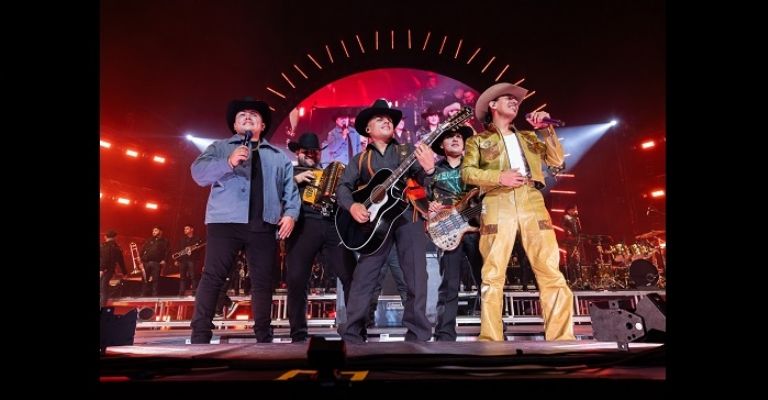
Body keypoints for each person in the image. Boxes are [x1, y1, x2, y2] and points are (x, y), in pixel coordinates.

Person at [461, 82, 575, 341]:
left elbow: (557, 161)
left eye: (516, 100)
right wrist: (498, 177)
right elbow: (467, 173)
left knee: (549, 269)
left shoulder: (530, 137)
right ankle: (491, 339)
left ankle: (562, 339)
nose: (514, 101)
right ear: (492, 105)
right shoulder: (478, 140)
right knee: (493, 273)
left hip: (531, 200)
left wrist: (546, 129)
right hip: (497, 201)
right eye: (508, 98)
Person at [189, 97, 299, 344]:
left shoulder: (278, 157)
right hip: (225, 222)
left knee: (263, 282)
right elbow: (198, 173)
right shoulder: (220, 148)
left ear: (262, 125)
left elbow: (290, 191)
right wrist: (228, 162)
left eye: (254, 115)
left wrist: (291, 214)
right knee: (214, 276)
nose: (248, 117)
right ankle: (200, 334)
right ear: (235, 125)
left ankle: (263, 335)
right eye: (242, 115)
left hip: (263, 224)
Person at [335, 99, 436, 343]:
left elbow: (427, 185)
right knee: (364, 277)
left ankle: (418, 334)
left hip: (407, 216)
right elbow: (343, 188)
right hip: (374, 225)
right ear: (367, 130)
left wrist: (430, 170)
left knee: (416, 277)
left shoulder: (408, 152)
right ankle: (352, 333)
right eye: (379, 119)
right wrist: (353, 206)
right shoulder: (360, 160)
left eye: (389, 119)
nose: (387, 121)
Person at [285, 132, 355, 343]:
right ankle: (298, 334)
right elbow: (272, 190)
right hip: (304, 225)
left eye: (315, 152)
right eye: (306, 152)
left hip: (330, 224)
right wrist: (295, 180)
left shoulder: (328, 172)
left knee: (350, 274)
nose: (311, 155)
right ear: (298, 152)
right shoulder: (288, 171)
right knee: (297, 279)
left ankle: (355, 330)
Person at [426, 126, 483, 341]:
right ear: (441, 144)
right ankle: (444, 332)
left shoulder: (474, 167)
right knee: (449, 284)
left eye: (459, 136)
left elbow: (485, 198)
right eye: (450, 137)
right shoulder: (432, 171)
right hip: (448, 231)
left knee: (486, 280)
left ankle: (494, 326)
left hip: (476, 229)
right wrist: (429, 206)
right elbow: (422, 200)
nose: (456, 139)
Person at [100, 230, 127, 308]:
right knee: (103, 287)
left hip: (103, 269)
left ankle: (102, 306)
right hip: (109, 270)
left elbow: (105, 259)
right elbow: (121, 261)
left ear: (105, 237)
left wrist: (101, 269)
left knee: (103, 287)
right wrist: (125, 273)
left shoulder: (103, 246)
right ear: (115, 238)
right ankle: (103, 306)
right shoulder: (117, 248)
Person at [140, 226, 170, 297]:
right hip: (147, 262)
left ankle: (154, 294)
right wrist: (141, 259)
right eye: (153, 231)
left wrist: (164, 260)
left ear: (160, 232)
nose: (153, 232)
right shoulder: (149, 240)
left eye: (156, 230)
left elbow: (167, 252)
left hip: (156, 262)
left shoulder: (165, 241)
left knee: (155, 279)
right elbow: (143, 249)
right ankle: (143, 293)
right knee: (145, 279)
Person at [176, 224, 203, 296]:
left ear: (192, 229)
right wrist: (177, 260)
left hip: (192, 260)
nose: (185, 230)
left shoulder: (197, 238)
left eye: (187, 229)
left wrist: (192, 249)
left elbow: (200, 248)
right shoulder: (182, 239)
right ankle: (181, 292)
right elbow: (179, 250)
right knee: (182, 277)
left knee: (193, 276)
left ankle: (194, 292)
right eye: (184, 229)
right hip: (183, 260)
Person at [562, 204, 584, 285]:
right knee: (572, 261)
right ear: (569, 210)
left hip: (577, 241)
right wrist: (568, 231)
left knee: (578, 260)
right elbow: (563, 226)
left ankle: (579, 279)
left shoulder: (576, 218)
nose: (576, 211)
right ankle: (573, 279)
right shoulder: (566, 217)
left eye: (576, 209)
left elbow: (579, 230)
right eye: (574, 209)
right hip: (570, 242)